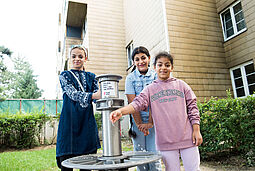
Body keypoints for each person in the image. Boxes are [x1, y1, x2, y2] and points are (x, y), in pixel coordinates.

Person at [110, 52, 203, 171]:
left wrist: (196, 130)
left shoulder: (182, 85)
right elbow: (137, 104)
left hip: (188, 138)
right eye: (160, 65)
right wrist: (121, 111)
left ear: (172, 67)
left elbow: (193, 108)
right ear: (154, 67)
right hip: (165, 141)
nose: (163, 68)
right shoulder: (150, 89)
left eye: (167, 65)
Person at [56, 45, 101, 171]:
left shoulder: (92, 77)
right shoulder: (64, 75)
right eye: (74, 56)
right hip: (69, 124)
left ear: (85, 58)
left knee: (87, 164)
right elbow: (73, 94)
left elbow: (99, 96)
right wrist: (93, 95)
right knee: (66, 163)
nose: (77, 59)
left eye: (80, 56)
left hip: (87, 123)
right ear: (70, 58)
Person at [125, 46, 161, 171]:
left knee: (154, 153)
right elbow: (132, 103)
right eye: (137, 59)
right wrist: (139, 124)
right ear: (133, 62)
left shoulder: (156, 75)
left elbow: (155, 101)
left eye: (143, 58)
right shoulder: (130, 78)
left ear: (149, 59)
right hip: (137, 120)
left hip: (154, 119)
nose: (141, 62)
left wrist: (150, 122)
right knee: (139, 155)